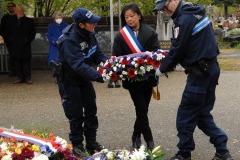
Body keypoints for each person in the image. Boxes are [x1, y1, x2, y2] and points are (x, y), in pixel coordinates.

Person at [153, 0, 233, 160]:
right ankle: (222, 150)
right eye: (162, 10)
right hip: (210, 69)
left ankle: (184, 154)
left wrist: (161, 69)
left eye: (165, 7)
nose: (165, 12)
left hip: (199, 73)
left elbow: (178, 49)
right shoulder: (193, 12)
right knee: (202, 114)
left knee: (185, 115)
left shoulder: (184, 19)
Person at [56, 8, 108, 158]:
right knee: (76, 112)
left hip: (84, 77)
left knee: (91, 109)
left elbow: (98, 53)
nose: (95, 24)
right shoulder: (68, 40)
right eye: (91, 22)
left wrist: (110, 66)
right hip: (69, 80)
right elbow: (77, 65)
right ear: (81, 25)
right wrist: (98, 76)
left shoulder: (90, 33)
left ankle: (91, 142)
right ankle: (77, 144)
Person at [112, 3, 160, 151]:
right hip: (132, 79)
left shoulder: (151, 32)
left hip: (148, 78)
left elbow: (156, 53)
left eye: (132, 16)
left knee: (143, 110)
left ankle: (135, 136)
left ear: (139, 15)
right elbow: (117, 57)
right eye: (126, 17)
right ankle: (149, 140)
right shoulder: (121, 35)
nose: (129, 19)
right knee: (140, 107)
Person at [4, 6, 36, 84]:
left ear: (23, 11)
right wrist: (10, 40)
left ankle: (27, 78)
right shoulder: (10, 21)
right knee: (16, 62)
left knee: (26, 62)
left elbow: (33, 33)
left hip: (25, 45)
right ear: (15, 11)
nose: (20, 12)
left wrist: (26, 40)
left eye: (21, 10)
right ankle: (20, 77)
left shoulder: (29, 21)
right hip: (14, 45)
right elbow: (6, 32)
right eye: (18, 11)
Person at [1, 2, 16, 77]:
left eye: (12, 6)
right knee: (12, 55)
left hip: (18, 40)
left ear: (14, 7)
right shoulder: (5, 18)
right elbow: (2, 29)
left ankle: (19, 71)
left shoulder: (18, 17)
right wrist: (5, 38)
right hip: (9, 40)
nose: (10, 7)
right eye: (9, 6)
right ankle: (13, 70)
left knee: (19, 55)